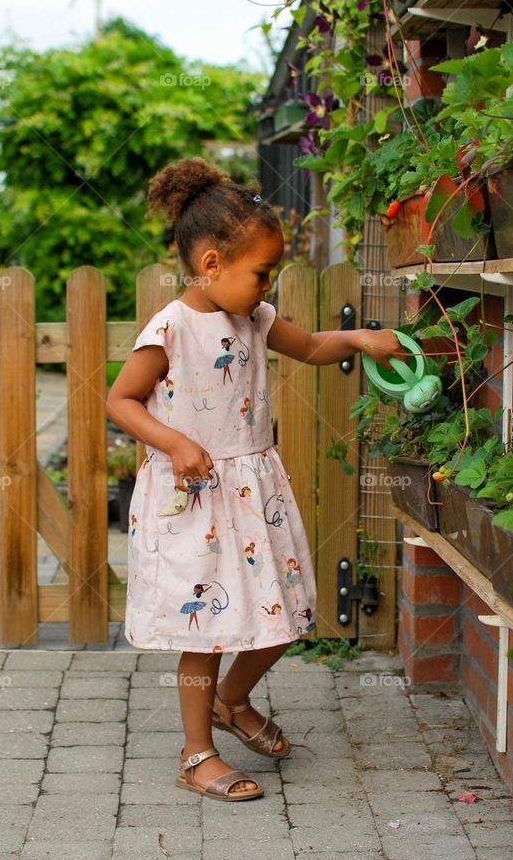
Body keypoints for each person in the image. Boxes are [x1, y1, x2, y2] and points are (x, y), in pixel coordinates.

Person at [106, 156, 405, 802]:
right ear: (211, 264)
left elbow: (314, 348)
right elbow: (120, 402)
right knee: (206, 632)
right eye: (260, 273)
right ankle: (196, 753)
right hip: (193, 498)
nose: (266, 287)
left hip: (251, 492)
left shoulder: (256, 319)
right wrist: (177, 441)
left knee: (285, 614)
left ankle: (232, 700)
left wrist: (358, 338)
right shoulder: (171, 329)